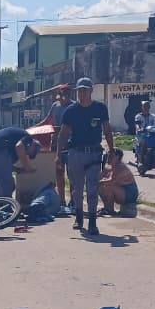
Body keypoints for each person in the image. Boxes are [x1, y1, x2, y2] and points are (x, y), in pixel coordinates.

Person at [60, 77, 114, 236]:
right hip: (75, 153)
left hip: (94, 154)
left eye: (85, 90)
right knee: (77, 189)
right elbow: (63, 134)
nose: (82, 93)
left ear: (91, 91)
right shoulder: (70, 111)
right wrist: (58, 155)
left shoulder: (100, 108)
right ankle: (78, 216)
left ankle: (92, 222)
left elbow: (107, 130)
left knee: (92, 189)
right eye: (80, 91)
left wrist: (111, 150)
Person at [0, 126, 39, 198]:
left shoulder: (13, 147)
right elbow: (19, 147)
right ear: (33, 145)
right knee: (7, 184)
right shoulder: (28, 137)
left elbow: (5, 166)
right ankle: (5, 203)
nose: (26, 154)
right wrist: (27, 167)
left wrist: (18, 170)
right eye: (29, 153)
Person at [45, 89, 69, 207]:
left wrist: (59, 129)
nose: (62, 97)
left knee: (72, 174)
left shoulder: (73, 107)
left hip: (69, 143)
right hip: (55, 142)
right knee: (58, 172)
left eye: (65, 94)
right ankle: (62, 200)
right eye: (61, 94)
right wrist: (36, 127)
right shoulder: (55, 106)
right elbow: (47, 120)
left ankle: (74, 201)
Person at [99, 149, 139, 216]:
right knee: (100, 187)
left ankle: (110, 210)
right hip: (120, 190)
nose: (108, 158)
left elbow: (111, 181)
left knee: (108, 186)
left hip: (129, 193)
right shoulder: (109, 166)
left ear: (117, 157)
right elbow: (100, 177)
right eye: (107, 156)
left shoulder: (121, 167)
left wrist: (99, 182)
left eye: (111, 156)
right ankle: (106, 207)